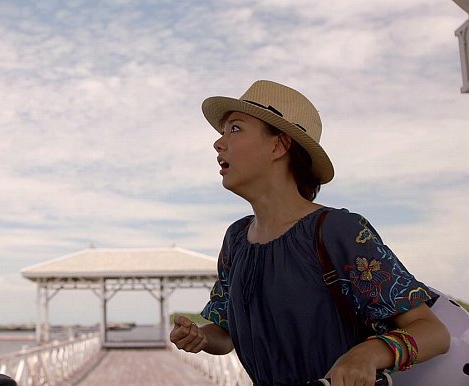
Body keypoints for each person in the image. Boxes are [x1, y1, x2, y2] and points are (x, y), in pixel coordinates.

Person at [170, 80, 450, 386]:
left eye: (234, 129)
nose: (218, 142)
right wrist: (201, 336)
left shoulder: (338, 231)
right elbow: (225, 335)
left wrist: (367, 354)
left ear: (278, 146)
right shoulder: (236, 239)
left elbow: (433, 332)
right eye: (222, 131)